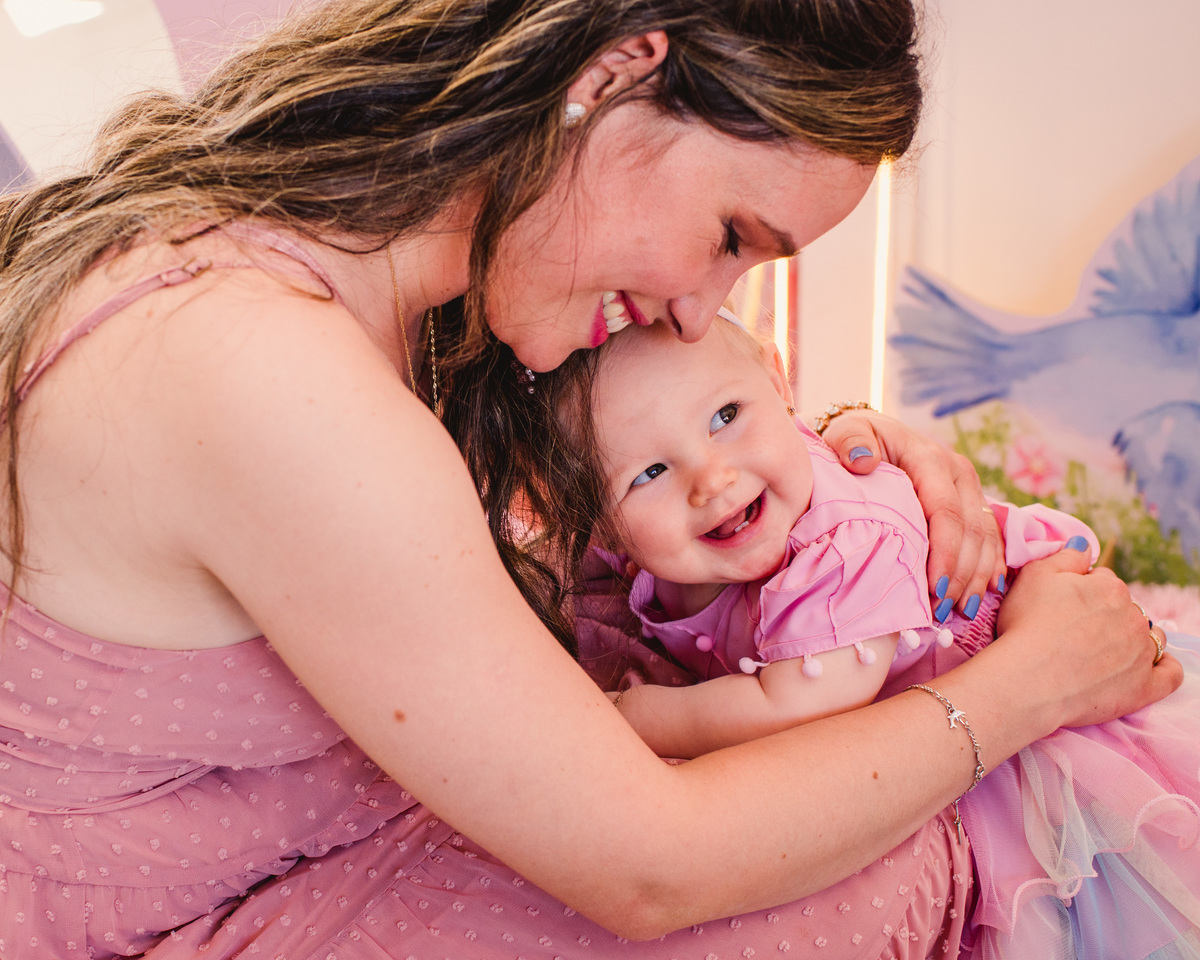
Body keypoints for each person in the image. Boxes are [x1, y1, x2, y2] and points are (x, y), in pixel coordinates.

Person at [0, 0, 1177, 957]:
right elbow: (654, 870)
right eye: (731, 236)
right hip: (164, 920)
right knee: (888, 845)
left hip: (321, 828)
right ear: (613, 75)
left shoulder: (402, 288)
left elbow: (639, 458)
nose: (698, 309)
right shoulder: (259, 368)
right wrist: (1032, 684)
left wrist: (837, 456)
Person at [517, 312, 1200, 957]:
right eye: (649, 473)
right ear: (596, 519)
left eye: (727, 416)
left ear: (778, 381)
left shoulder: (845, 542)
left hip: (1034, 723)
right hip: (920, 713)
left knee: (1084, 907)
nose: (712, 478)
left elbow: (802, 703)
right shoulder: (634, 543)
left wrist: (636, 717)